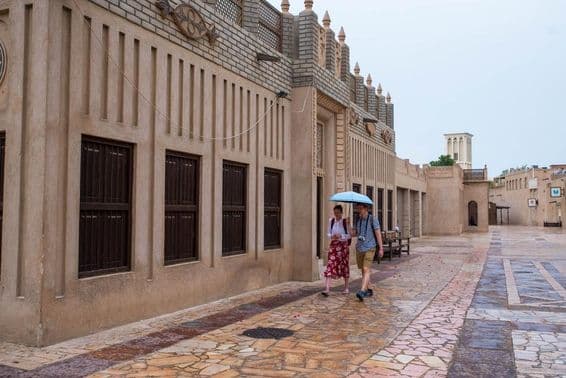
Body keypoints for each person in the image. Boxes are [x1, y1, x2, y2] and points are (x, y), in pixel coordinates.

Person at [351, 203, 384, 301]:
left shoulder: (372, 219)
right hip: (360, 248)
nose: (359, 210)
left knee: (366, 269)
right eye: (358, 208)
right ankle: (369, 289)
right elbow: (354, 234)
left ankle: (362, 291)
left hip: (370, 247)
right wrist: (349, 224)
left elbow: (378, 234)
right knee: (363, 270)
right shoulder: (358, 220)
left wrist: (381, 248)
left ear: (366, 209)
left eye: (361, 208)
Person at [321, 205, 351, 296]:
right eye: (335, 213)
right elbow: (328, 233)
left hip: (343, 247)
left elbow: (350, 235)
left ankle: (346, 288)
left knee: (344, 266)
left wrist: (341, 236)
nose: (336, 214)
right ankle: (327, 288)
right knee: (330, 264)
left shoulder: (346, 222)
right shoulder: (332, 221)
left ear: (341, 213)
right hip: (334, 246)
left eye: (338, 213)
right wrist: (332, 236)